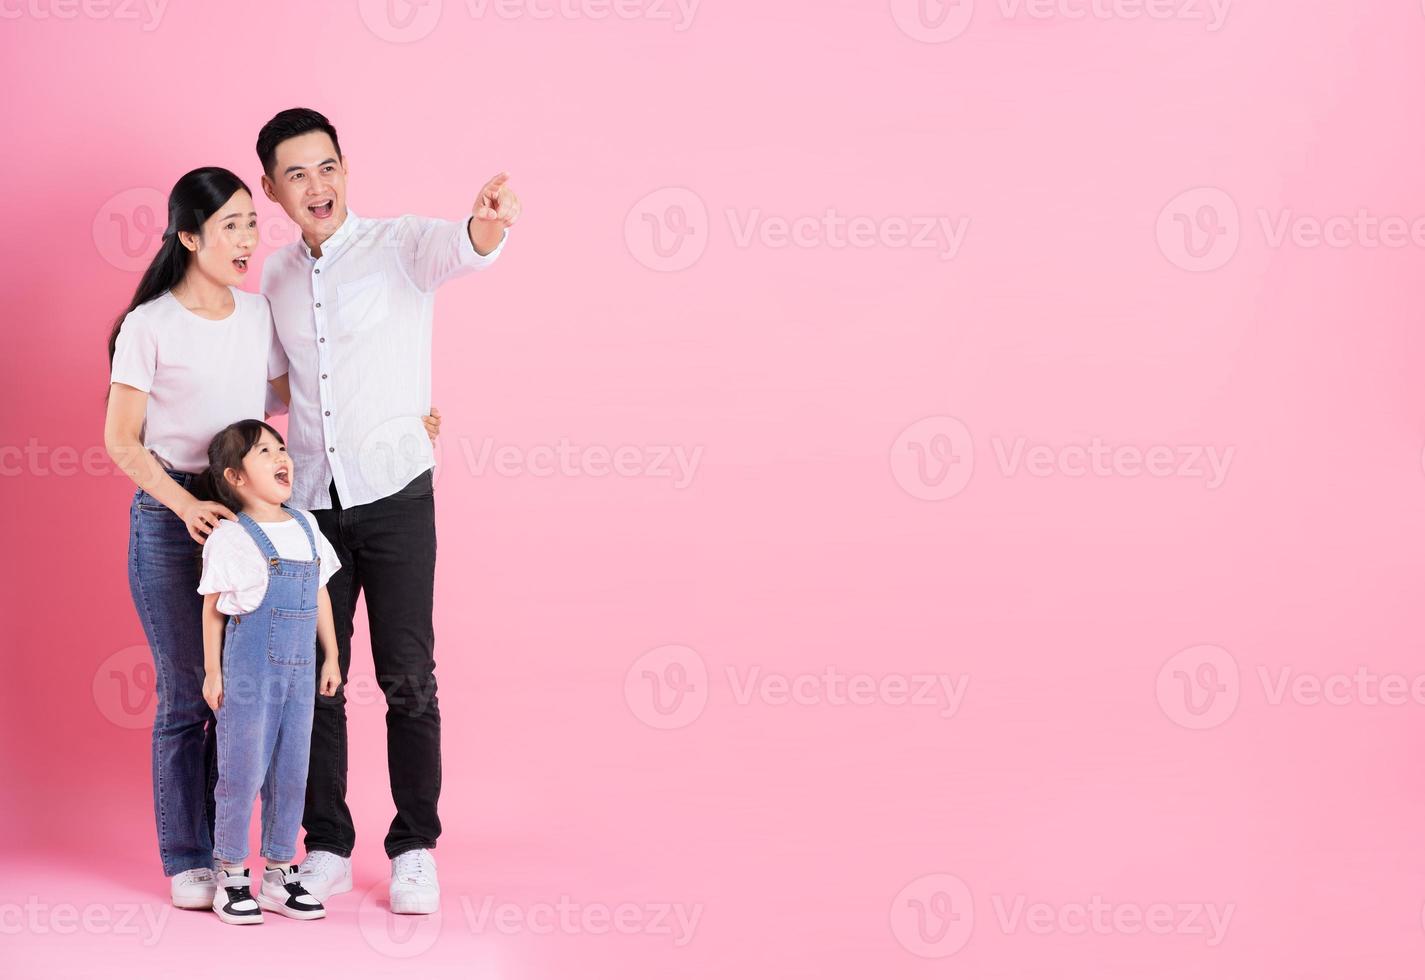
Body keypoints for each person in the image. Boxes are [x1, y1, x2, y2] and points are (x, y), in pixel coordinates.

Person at [102, 166, 445, 910]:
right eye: (229, 225)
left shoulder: (258, 315)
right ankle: (190, 857)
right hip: (171, 513)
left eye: (252, 224)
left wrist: (394, 419)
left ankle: (255, 856)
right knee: (184, 697)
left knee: (251, 692)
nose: (248, 239)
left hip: (249, 519)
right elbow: (121, 441)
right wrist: (184, 507)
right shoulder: (149, 325)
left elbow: (311, 392)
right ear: (188, 237)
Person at [255, 107, 521, 913]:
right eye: (295, 173)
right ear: (272, 189)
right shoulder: (274, 276)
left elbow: (462, 251)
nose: (316, 184)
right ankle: (327, 844)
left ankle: (413, 848)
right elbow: (277, 386)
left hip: (396, 495)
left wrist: (483, 227)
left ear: (346, 169)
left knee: (408, 677)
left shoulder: (400, 244)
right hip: (310, 504)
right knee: (316, 684)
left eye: (326, 165)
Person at [197, 420, 341, 924]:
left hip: (300, 674)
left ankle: (280, 871)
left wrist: (333, 656)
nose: (281, 457)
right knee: (240, 770)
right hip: (248, 674)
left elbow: (320, 592)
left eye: (281, 448)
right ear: (235, 477)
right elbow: (213, 609)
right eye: (264, 452)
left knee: (291, 770)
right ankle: (231, 873)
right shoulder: (233, 536)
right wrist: (213, 673)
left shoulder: (306, 525)